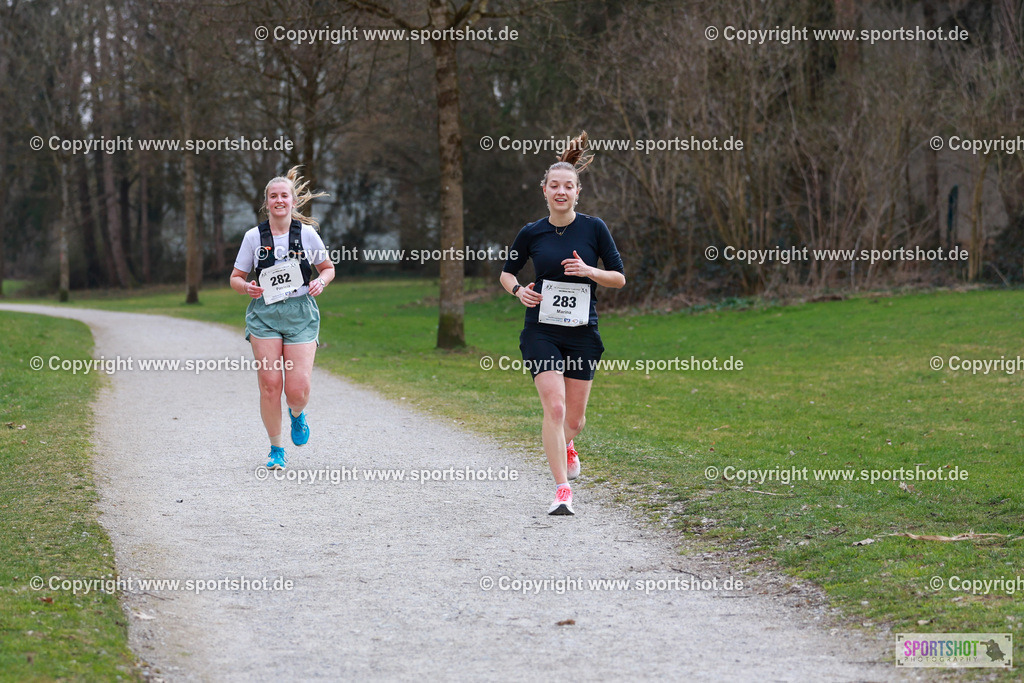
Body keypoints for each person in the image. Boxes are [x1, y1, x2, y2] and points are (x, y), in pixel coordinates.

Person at [500, 132, 626, 515]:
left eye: (568, 186)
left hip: (583, 332)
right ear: (544, 190)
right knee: (554, 409)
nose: (561, 191)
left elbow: (619, 278)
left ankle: (567, 443)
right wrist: (518, 291)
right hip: (541, 329)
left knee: (574, 419)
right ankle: (562, 490)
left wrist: (590, 271)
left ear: (577, 192)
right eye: (554, 185)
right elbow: (506, 273)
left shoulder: (594, 228)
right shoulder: (531, 232)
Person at [229, 167, 335, 470]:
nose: (279, 200)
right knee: (270, 385)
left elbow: (328, 268)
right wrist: (246, 287)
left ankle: (297, 414)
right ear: (266, 202)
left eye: (284, 196)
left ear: (293, 201)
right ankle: (276, 449)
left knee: (297, 391)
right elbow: (235, 278)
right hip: (264, 313)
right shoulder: (253, 237)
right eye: (273, 196)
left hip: (300, 312)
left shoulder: (307, 234)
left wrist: (321, 282)